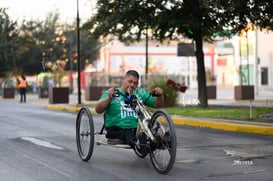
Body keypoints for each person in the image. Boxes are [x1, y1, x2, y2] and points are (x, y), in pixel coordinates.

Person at [95, 70, 164, 147]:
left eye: (135, 83)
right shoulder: (113, 92)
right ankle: (141, 144)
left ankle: (160, 142)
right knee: (131, 135)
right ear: (123, 80)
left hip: (137, 129)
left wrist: (159, 95)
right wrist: (109, 98)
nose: (132, 85)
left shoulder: (140, 93)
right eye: (130, 81)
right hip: (117, 129)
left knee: (148, 133)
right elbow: (98, 110)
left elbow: (157, 104)